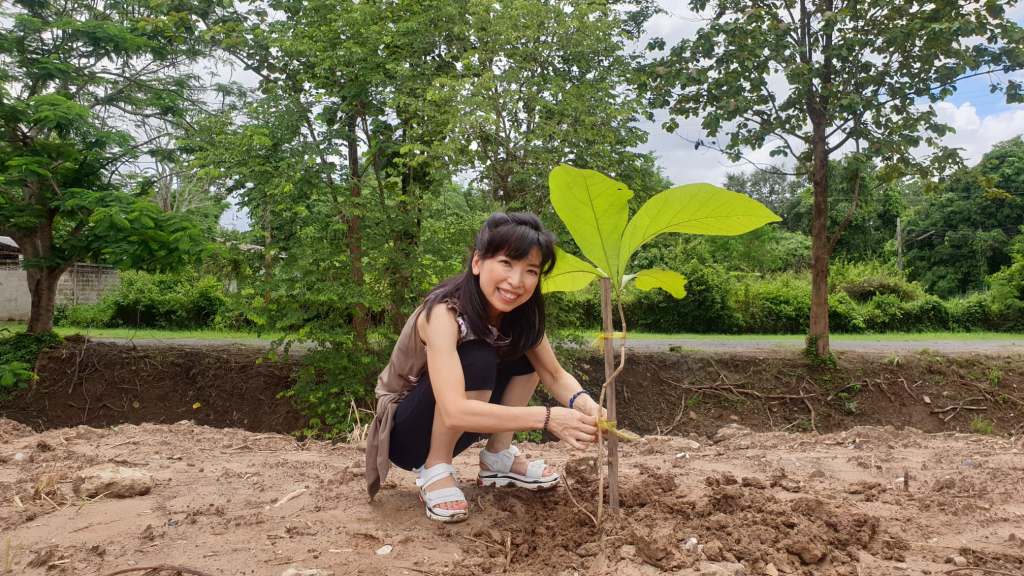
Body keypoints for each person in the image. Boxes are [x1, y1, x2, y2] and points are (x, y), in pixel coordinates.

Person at [365, 212, 604, 522]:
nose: (516, 282)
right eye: (506, 264)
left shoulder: (522, 316)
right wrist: (548, 418)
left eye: (530, 270)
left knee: (523, 351)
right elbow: (454, 410)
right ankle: (436, 468)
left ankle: (497, 458)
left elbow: (554, 374)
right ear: (477, 263)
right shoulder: (443, 313)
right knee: (478, 356)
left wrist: (588, 406)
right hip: (406, 432)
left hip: (464, 420)